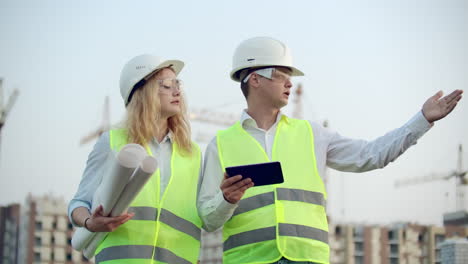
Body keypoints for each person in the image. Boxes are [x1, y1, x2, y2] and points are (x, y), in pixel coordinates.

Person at [197, 36, 463, 264]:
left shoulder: (312, 134)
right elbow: (208, 219)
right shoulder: (220, 144)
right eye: (281, 75)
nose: (290, 83)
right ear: (254, 79)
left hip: (308, 259)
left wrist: (422, 120)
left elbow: (370, 155)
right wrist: (226, 200)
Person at [69, 54, 203, 264]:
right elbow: (79, 203)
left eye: (177, 83)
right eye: (166, 85)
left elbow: (205, 213)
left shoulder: (192, 153)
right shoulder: (112, 142)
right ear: (142, 92)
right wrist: (89, 222)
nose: (177, 90)